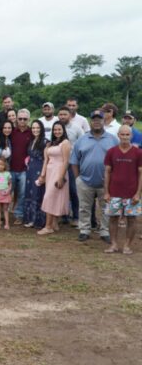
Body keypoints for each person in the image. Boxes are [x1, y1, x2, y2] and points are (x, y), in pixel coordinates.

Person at [71, 109, 119, 243]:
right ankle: (84, 230)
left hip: (106, 183)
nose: (97, 122)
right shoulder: (82, 139)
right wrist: (78, 178)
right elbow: (74, 160)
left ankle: (105, 231)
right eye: (94, 119)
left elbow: (117, 161)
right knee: (84, 207)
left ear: (104, 121)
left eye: (99, 119)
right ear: (90, 121)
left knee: (106, 208)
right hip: (85, 181)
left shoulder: (113, 139)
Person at [103, 125, 142, 254]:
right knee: (113, 218)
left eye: (127, 134)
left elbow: (141, 173)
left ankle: (127, 245)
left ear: (131, 136)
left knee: (132, 219)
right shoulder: (111, 152)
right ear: (118, 135)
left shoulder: (138, 153)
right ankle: (114, 244)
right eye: (122, 134)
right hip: (114, 192)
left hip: (131, 193)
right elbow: (107, 172)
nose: (125, 137)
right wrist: (106, 192)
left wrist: (138, 193)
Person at [38, 122, 71, 235]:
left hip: (59, 171)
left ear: (63, 130)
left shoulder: (65, 143)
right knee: (53, 197)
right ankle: (54, 224)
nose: (57, 132)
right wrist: (43, 175)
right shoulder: (51, 143)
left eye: (59, 129)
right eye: (55, 130)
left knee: (49, 197)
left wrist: (61, 177)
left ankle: (48, 226)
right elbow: (46, 159)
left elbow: (66, 161)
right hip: (50, 172)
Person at [58, 106, 83, 225]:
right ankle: (64, 215)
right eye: (60, 114)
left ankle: (76, 216)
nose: (62, 116)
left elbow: (83, 144)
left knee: (73, 190)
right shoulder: (57, 128)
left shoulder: (77, 128)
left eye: (65, 114)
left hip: (72, 164)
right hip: (59, 163)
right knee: (62, 189)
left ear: (70, 115)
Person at [23, 120, 47, 229]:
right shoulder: (32, 141)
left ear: (41, 129)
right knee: (29, 193)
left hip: (39, 170)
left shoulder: (45, 142)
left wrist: (43, 174)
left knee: (38, 194)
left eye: (37, 128)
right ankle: (30, 219)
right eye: (33, 128)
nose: (35, 130)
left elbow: (47, 160)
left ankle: (38, 220)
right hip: (30, 171)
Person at [10, 109, 33, 224]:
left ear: (29, 119)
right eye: (20, 118)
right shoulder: (11, 132)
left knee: (22, 194)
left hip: (24, 169)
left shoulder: (32, 133)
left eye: (25, 119)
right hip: (10, 168)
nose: (22, 121)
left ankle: (19, 214)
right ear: (17, 119)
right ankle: (2, 213)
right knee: (5, 191)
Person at [0, 157, 13, 229]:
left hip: (5, 193)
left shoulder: (8, 174)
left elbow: (10, 183)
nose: (0, 166)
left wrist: (8, 190)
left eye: (2, 164)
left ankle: (7, 224)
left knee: (5, 209)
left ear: (5, 165)